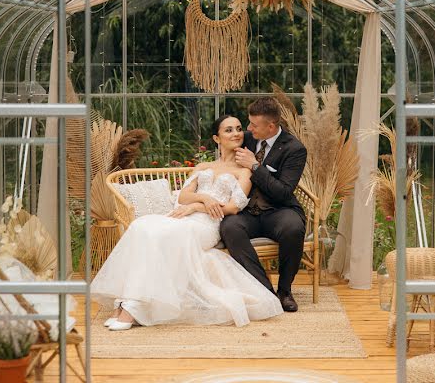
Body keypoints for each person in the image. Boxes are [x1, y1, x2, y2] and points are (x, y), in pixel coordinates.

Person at [92, 115, 283, 330]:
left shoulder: (244, 171)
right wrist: (203, 198)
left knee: (162, 236)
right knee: (141, 226)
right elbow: (183, 196)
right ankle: (125, 301)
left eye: (239, 129)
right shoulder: (203, 166)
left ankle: (132, 308)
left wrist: (197, 207)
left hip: (207, 225)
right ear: (216, 138)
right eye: (228, 130)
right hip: (182, 216)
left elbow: (232, 207)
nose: (237, 133)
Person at [220, 97, 308, 312]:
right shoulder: (246, 139)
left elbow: (283, 191)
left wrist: (255, 166)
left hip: (279, 209)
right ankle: (265, 289)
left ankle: (285, 290)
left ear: (271, 126)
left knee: (293, 228)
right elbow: (223, 153)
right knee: (229, 227)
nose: (248, 129)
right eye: (248, 123)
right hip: (247, 210)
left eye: (253, 125)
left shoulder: (294, 149)